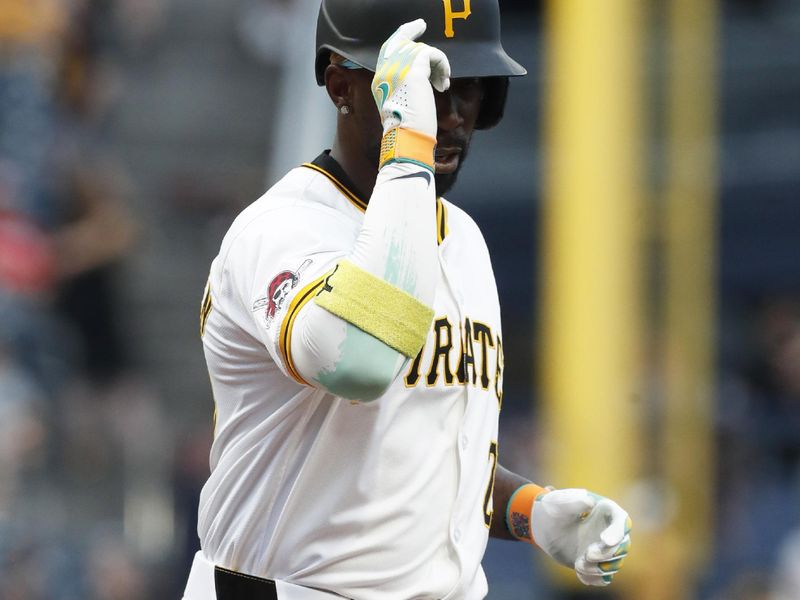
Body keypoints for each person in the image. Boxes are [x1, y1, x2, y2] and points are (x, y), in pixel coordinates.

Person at [183, 1, 632, 599]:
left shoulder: (463, 239)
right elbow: (359, 361)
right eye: (424, 85)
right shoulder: (283, 229)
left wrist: (531, 510)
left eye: (467, 88)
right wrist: (408, 143)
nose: (447, 116)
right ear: (342, 86)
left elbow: (424, 456)